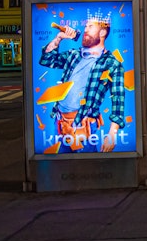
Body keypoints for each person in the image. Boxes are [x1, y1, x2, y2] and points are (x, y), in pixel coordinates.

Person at [39, 11, 127, 153]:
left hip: (84, 125)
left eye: (90, 27)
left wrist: (112, 134)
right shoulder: (74, 55)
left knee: (87, 165)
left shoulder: (111, 63)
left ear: (102, 32)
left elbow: (118, 99)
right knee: (61, 166)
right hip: (61, 123)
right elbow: (47, 60)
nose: (85, 30)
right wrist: (59, 38)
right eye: (86, 26)